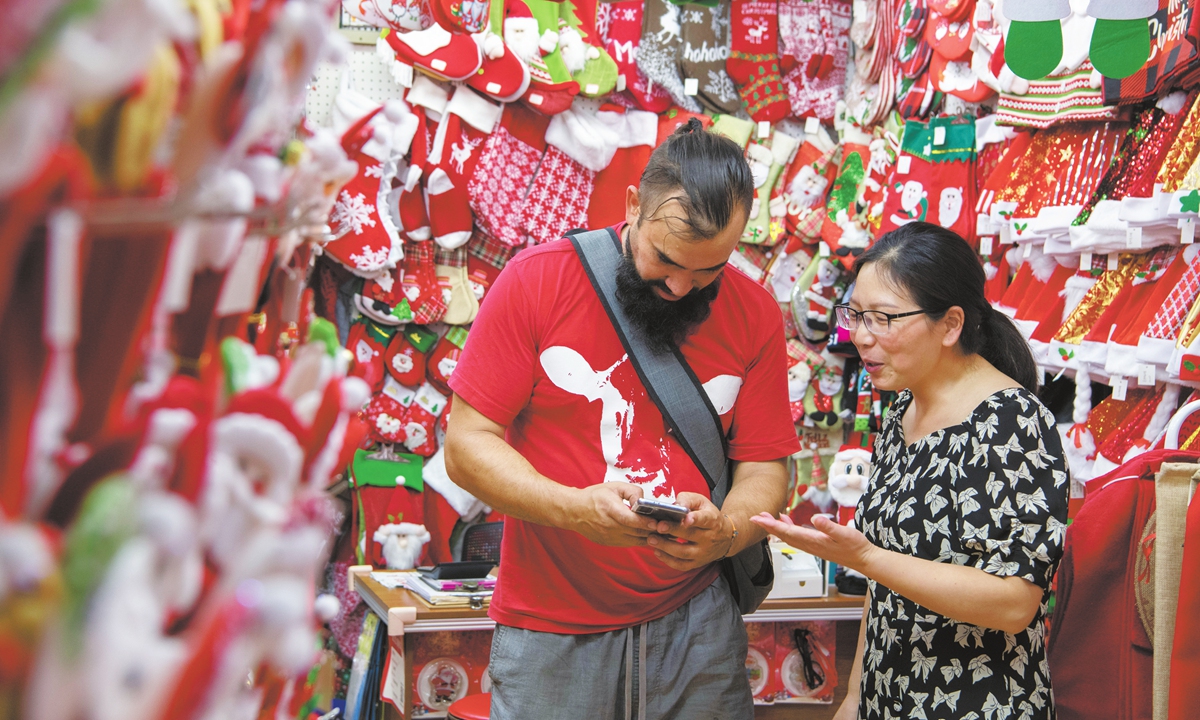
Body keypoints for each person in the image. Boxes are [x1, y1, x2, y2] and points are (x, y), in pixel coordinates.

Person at [443, 118, 800, 719]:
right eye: (666, 259)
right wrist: (573, 509)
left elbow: (765, 469)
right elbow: (466, 445)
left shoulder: (756, 314)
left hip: (699, 629)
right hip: (551, 627)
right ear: (634, 205)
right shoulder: (537, 281)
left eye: (710, 268)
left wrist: (728, 532)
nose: (682, 286)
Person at [752, 222, 1070, 720]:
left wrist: (867, 558)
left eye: (882, 318)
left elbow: (1014, 603)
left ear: (950, 324)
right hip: (889, 698)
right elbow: (886, 590)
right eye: (855, 315)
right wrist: (854, 699)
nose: (859, 336)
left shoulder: (1012, 422)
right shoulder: (903, 409)